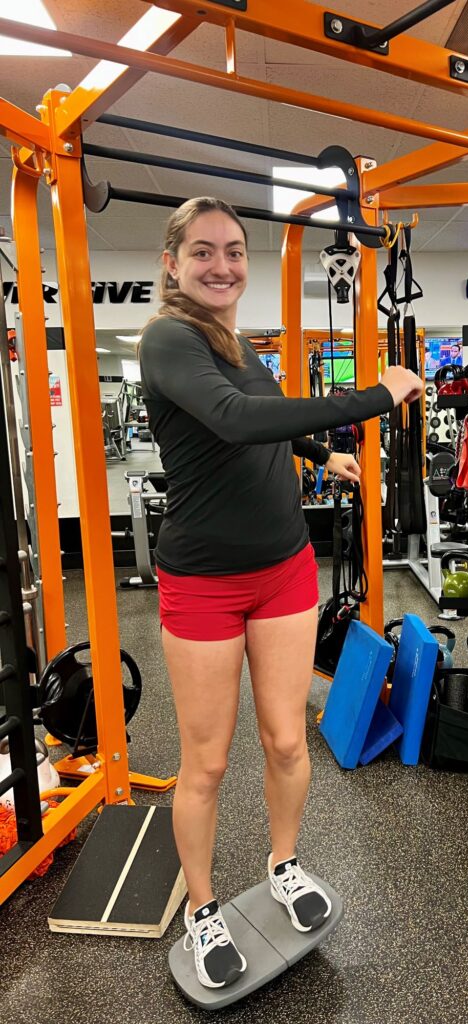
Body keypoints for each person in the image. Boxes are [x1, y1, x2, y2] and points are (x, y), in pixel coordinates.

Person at [139, 196, 422, 989]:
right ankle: (202, 911)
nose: (222, 265)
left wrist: (311, 453)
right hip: (203, 581)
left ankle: (284, 865)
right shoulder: (167, 337)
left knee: (288, 741)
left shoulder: (229, 339)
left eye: (233, 250)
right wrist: (373, 396)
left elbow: (257, 414)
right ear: (173, 264)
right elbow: (230, 419)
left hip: (286, 568)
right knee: (206, 763)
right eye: (203, 252)